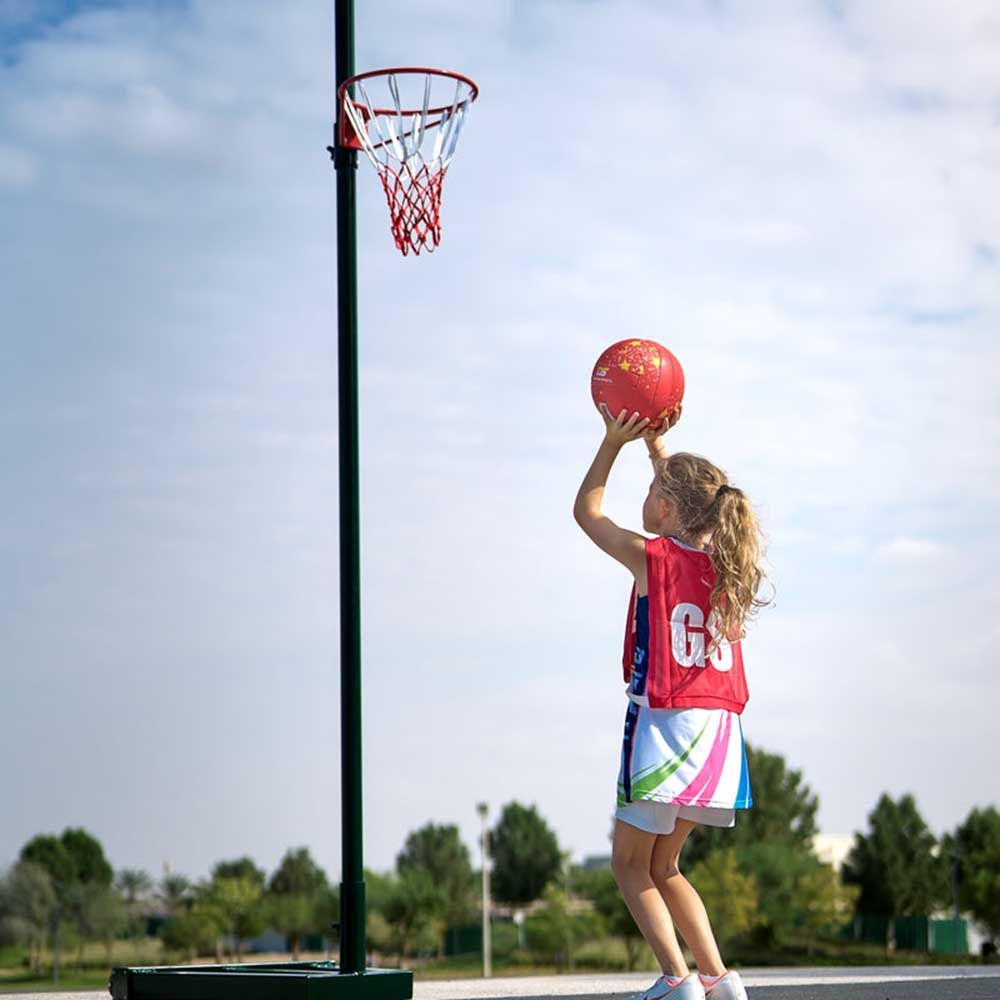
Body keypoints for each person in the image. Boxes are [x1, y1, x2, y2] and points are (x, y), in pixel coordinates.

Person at [573, 403, 769, 1000]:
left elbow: (588, 512)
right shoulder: (729, 568)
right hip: (719, 735)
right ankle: (717, 978)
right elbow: (692, 503)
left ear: (663, 508)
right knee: (666, 867)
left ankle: (676, 980)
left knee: (629, 866)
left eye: (654, 486)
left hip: (667, 725)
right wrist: (658, 449)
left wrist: (613, 442)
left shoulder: (652, 559)